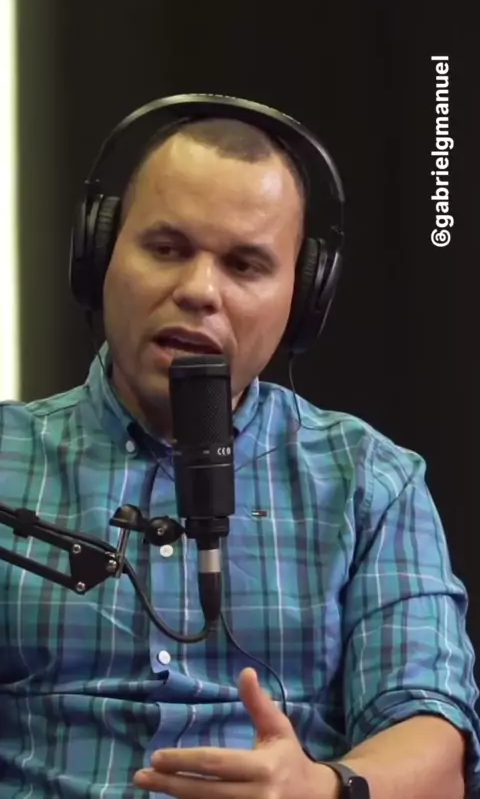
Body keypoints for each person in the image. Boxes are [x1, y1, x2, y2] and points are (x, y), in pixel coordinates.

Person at [0, 104, 479, 799]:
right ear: (99, 255)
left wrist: (324, 788)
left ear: (302, 300)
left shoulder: (371, 482)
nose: (198, 291)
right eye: (166, 248)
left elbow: (436, 749)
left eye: (244, 264)